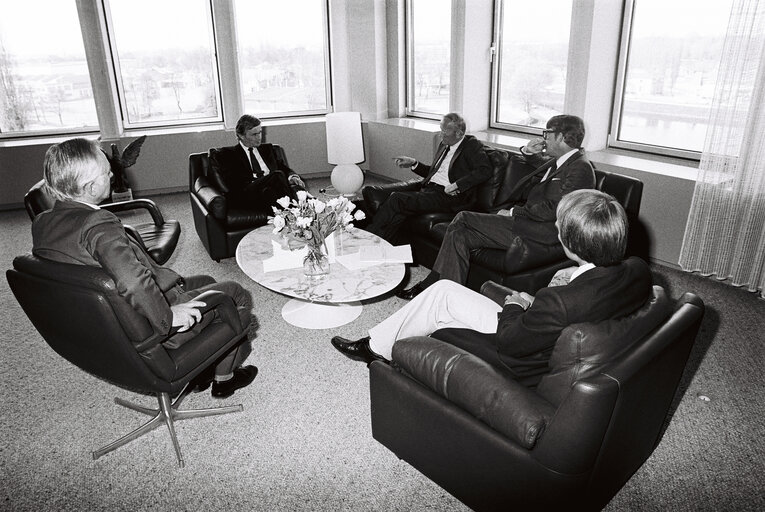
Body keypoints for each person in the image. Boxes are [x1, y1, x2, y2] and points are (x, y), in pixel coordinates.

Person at [331, 189, 652, 386]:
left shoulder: (559, 301)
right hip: (547, 332)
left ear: (569, 242)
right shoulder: (637, 269)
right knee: (443, 293)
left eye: (559, 227)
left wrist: (517, 305)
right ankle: (378, 344)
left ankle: (374, 349)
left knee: (441, 304)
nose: (556, 229)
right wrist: (537, 305)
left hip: (522, 360)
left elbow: (512, 342)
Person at [32, 138, 258, 399]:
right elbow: (134, 282)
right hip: (151, 329)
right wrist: (169, 317)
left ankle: (203, 369)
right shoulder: (98, 224)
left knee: (206, 278)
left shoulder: (43, 222)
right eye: (107, 172)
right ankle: (225, 379)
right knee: (234, 294)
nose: (114, 174)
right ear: (90, 187)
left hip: (109, 326)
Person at [397, 114, 596, 300]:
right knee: (460, 234)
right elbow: (541, 166)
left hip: (540, 232)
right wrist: (528, 152)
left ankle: (433, 286)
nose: (544, 139)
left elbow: (556, 208)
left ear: (561, 136)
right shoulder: (564, 161)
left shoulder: (581, 168)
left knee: (463, 218)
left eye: (547, 134)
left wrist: (512, 211)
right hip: (527, 222)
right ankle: (447, 296)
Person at [365, 112, 493, 242]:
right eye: (440, 130)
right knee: (397, 212)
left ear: (459, 133)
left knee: (397, 199)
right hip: (430, 190)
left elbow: (485, 170)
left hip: (448, 196)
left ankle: (367, 239)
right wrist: (414, 163)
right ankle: (383, 248)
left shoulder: (471, 145)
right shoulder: (445, 144)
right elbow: (433, 173)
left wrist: (457, 185)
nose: (440, 134)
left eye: (444, 131)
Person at [210, 114, 305, 210]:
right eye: (254, 134)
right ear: (241, 135)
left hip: (269, 189)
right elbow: (233, 182)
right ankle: (295, 209)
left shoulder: (268, 149)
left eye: (260, 132)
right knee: (277, 175)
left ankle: (286, 213)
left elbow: (283, 167)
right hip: (248, 191)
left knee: (271, 189)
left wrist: (293, 176)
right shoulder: (229, 154)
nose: (259, 137)